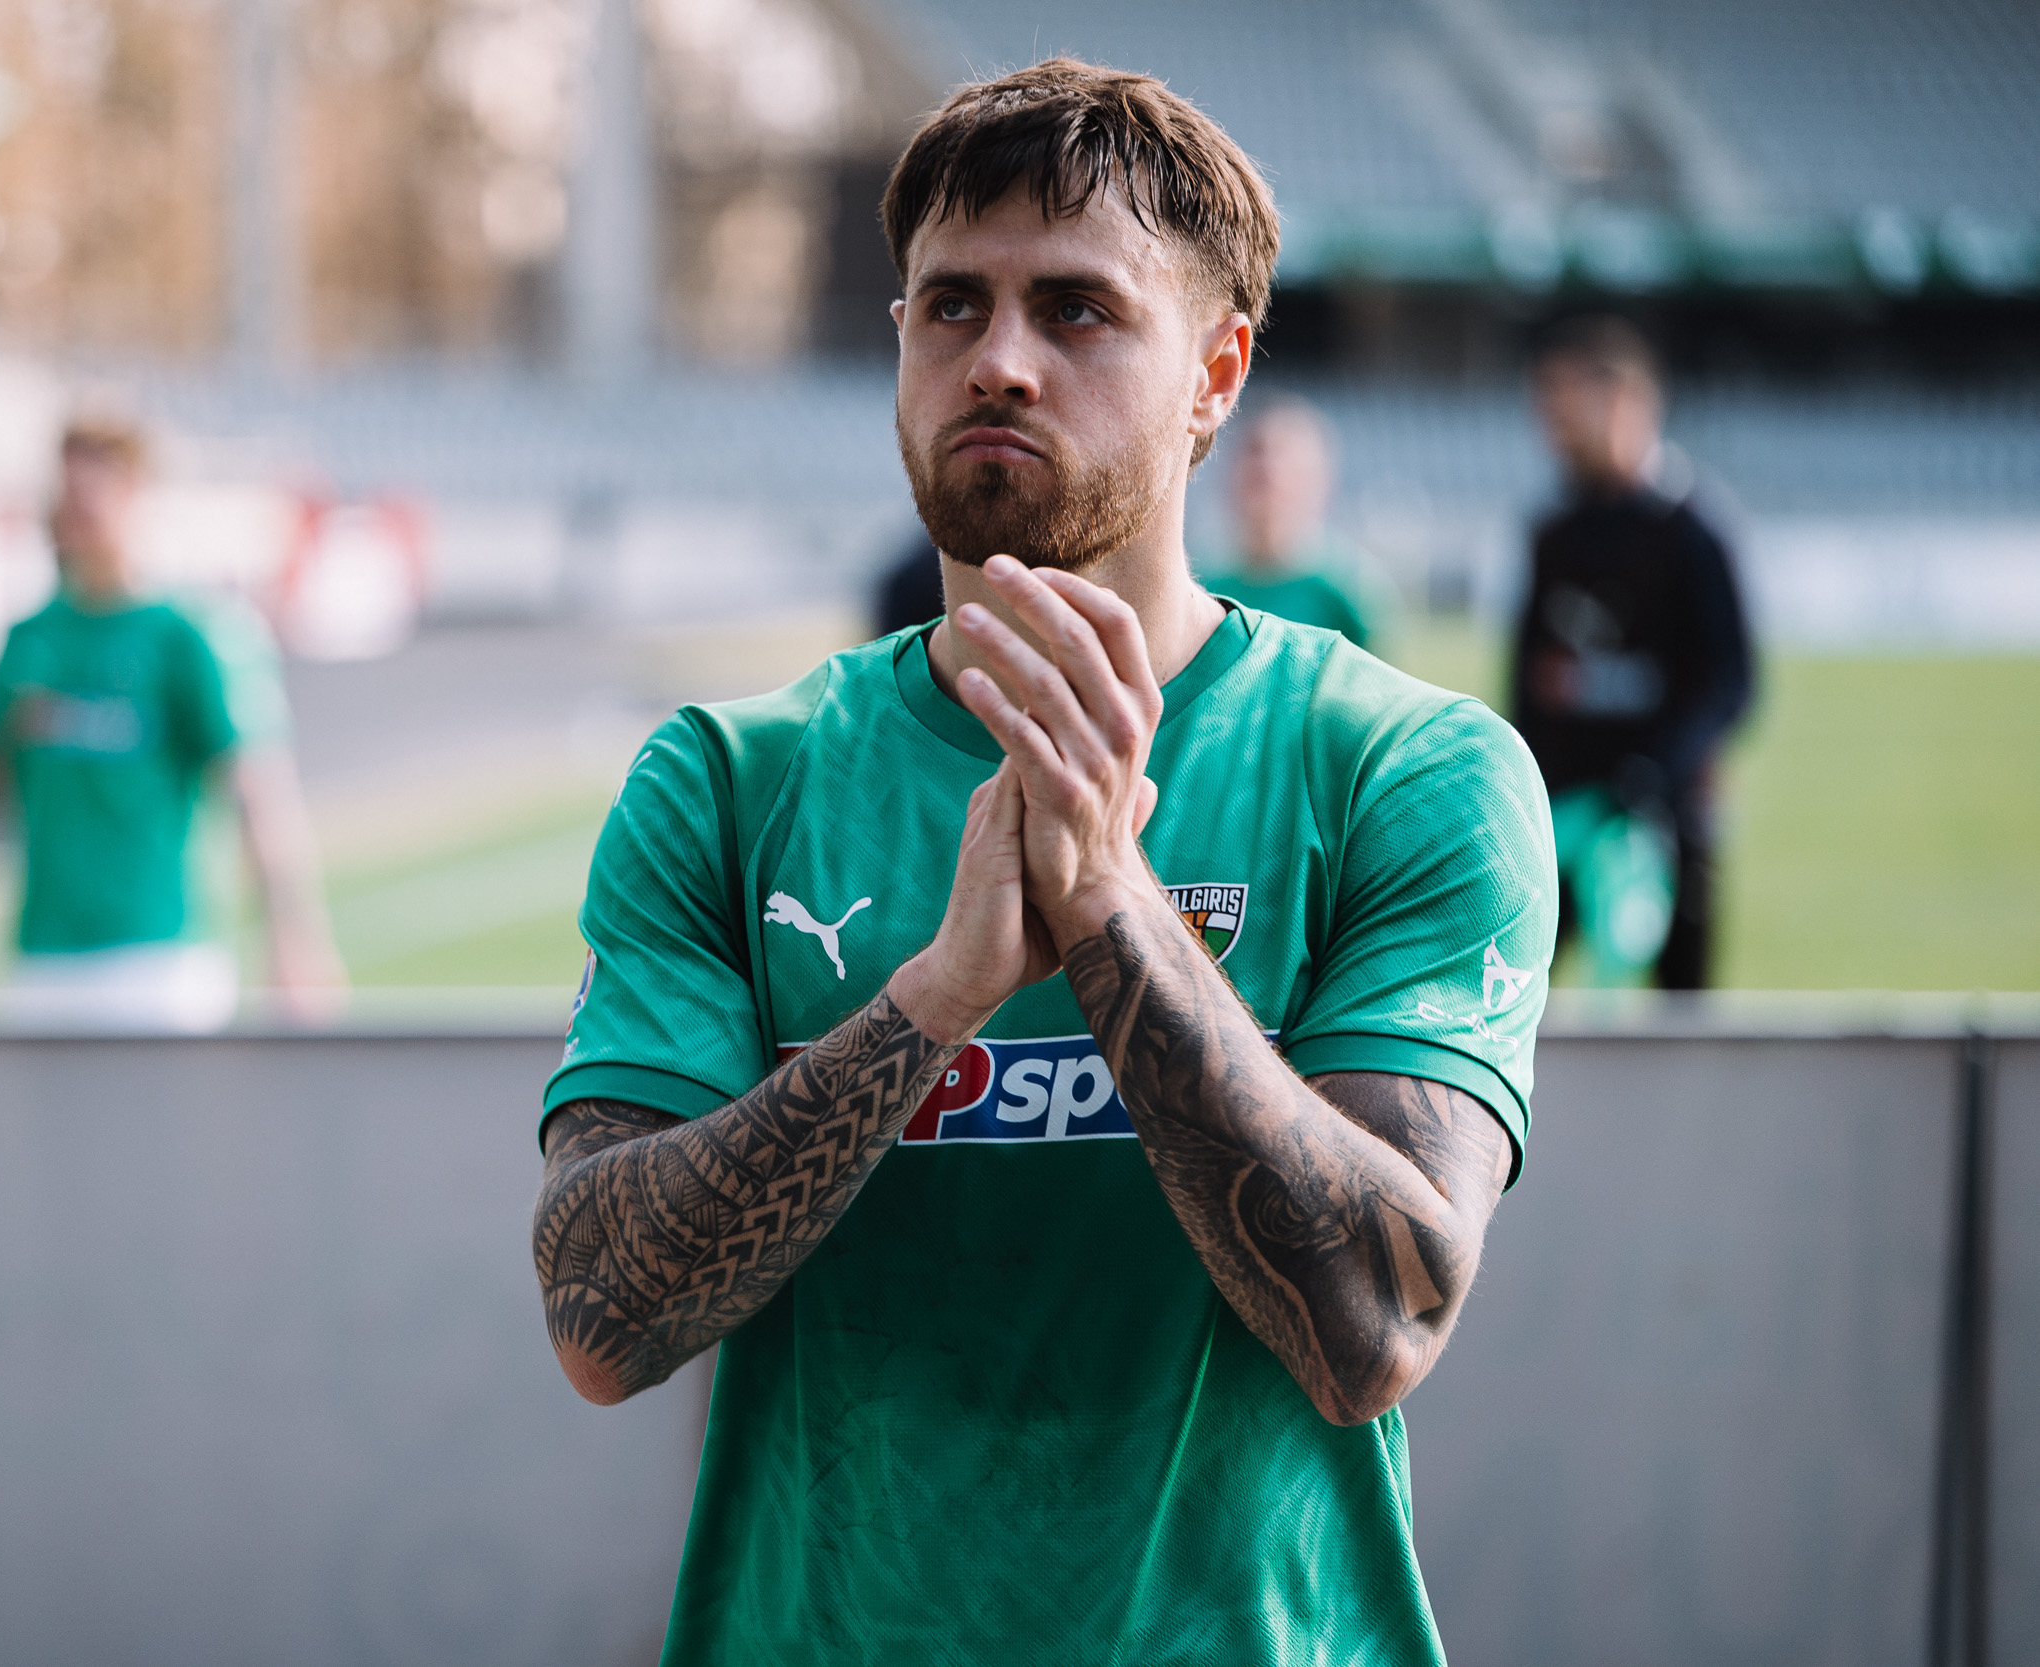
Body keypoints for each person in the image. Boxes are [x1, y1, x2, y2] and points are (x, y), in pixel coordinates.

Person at [533, 59, 1555, 1665]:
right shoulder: (729, 779)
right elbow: (600, 1313)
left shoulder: (1410, 768)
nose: (999, 359)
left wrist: (1106, 902)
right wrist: (931, 1001)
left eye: (1078, 310)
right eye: (953, 305)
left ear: (1216, 374)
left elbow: (1374, 1321)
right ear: (900, 347)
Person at [0, 416, 345, 1030]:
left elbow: (254, 789)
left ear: (136, 494)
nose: (78, 510)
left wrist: (293, 938)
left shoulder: (185, 636)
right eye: (69, 491)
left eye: (94, 491)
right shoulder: (29, 640)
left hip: (159, 956)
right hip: (44, 956)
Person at [1513, 316, 1754, 991]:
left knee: (1681, 1021)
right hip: (1561, 815)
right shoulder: (1554, 532)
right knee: (1516, 997)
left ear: (1622, 400)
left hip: (1667, 819)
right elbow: (1528, 678)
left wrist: (1652, 774)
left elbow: (1732, 683)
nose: (1553, 430)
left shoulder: (1695, 531)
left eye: (1566, 409)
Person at [1192, 393, 1382, 649]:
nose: (1267, 469)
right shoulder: (1202, 587)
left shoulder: (1347, 593)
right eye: (1255, 455)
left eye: (1282, 459)